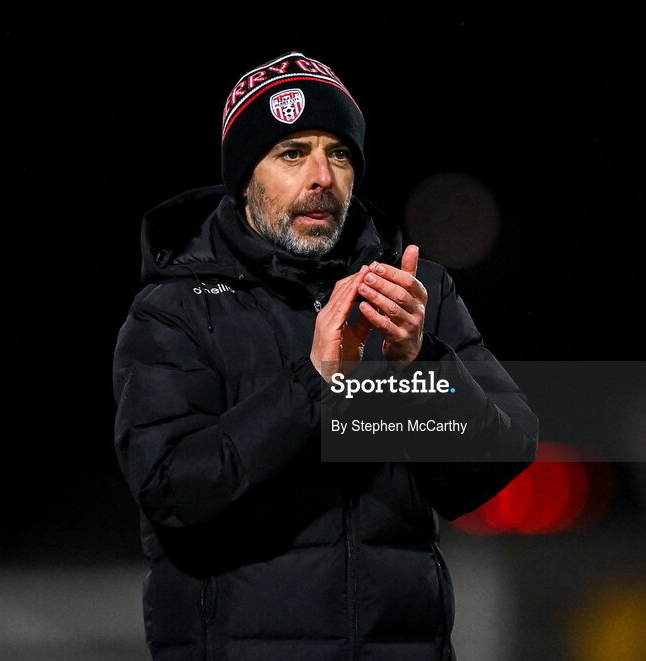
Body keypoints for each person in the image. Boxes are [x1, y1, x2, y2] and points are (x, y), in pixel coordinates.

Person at [112, 51, 538, 661]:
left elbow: (498, 460)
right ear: (246, 178)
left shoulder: (411, 297)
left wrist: (415, 367)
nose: (321, 177)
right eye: (292, 154)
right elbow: (175, 496)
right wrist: (315, 384)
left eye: (338, 154)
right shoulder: (175, 311)